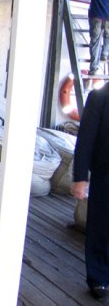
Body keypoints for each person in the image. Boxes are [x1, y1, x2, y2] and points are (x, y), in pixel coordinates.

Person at [72, 81, 109, 301]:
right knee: (101, 227)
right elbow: (85, 141)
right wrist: (80, 178)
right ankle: (98, 278)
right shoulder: (99, 97)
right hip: (105, 175)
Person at [87, 0, 109, 76]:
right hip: (108, 16)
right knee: (107, 37)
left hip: (96, 14)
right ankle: (105, 54)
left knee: (95, 42)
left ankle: (93, 68)